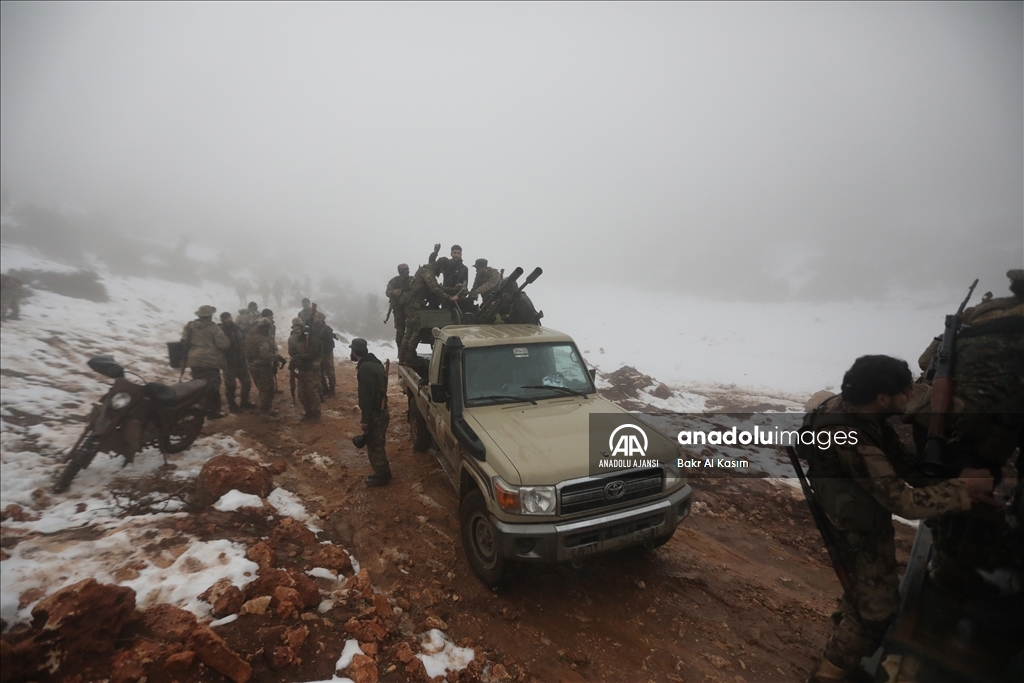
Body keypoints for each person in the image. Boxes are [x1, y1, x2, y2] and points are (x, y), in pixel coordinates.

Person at [801, 355, 997, 683]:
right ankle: (827, 675)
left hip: (854, 513)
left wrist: (953, 478)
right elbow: (901, 501)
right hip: (855, 527)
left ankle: (843, 642)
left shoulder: (862, 412)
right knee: (877, 611)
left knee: (862, 595)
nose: (910, 397)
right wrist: (960, 490)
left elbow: (902, 465)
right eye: (905, 392)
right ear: (881, 398)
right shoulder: (850, 435)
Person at [912, 268, 1024, 593]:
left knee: (952, 486)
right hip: (986, 431)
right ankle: (954, 571)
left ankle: (949, 562)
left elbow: (924, 362)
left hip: (937, 419)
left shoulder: (979, 316)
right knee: (976, 488)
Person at [399, 258, 457, 364]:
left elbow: (437, 286)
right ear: (441, 266)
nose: (443, 272)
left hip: (412, 304)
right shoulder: (428, 272)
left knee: (409, 331)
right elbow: (434, 288)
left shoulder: (428, 270)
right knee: (416, 330)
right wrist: (450, 298)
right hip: (414, 305)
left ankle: (403, 357)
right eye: (444, 270)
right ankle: (408, 357)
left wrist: (453, 290)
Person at [351, 337, 391, 486]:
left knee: (375, 445)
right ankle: (384, 472)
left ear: (354, 351)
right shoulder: (374, 363)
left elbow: (367, 396)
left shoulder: (365, 368)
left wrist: (365, 420)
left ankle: (381, 476)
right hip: (381, 409)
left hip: (375, 412)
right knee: (378, 442)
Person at [181, 305, 231, 419]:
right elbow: (223, 344)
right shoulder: (214, 328)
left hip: (194, 360)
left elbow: (184, 340)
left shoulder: (190, 326)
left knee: (198, 385)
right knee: (212, 386)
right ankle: (212, 412)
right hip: (210, 361)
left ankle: (199, 409)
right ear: (209, 316)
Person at [288, 316, 323, 422]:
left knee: (312, 392)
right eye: (295, 333)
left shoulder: (312, 339)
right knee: (302, 394)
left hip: (311, 370)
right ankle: (308, 413)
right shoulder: (297, 340)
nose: (296, 335)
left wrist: (301, 356)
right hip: (302, 369)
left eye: (298, 332)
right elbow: (293, 353)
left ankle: (316, 415)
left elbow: (314, 353)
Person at [218, 312, 255, 412]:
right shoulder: (220, 331)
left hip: (240, 360)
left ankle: (244, 401)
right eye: (225, 318)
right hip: (228, 362)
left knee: (247, 382)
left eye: (228, 317)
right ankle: (232, 405)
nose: (228, 320)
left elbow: (243, 341)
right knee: (231, 385)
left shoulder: (236, 328)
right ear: (221, 319)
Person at [244, 318, 282, 415]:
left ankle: (265, 409)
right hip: (261, 367)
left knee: (262, 389)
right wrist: (277, 357)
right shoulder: (261, 339)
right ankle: (264, 412)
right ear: (265, 327)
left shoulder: (250, 336)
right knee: (267, 389)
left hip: (253, 365)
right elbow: (265, 354)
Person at [385, 264, 411, 351]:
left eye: (405, 271)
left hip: (410, 308)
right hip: (398, 309)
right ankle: (401, 351)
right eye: (402, 271)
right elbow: (388, 292)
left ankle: (408, 351)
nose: (404, 274)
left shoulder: (412, 280)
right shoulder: (395, 281)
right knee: (400, 331)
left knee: (411, 330)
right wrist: (394, 292)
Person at [315, 311, 337, 398]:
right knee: (320, 372)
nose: (315, 318)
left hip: (326, 353)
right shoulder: (314, 328)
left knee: (329, 372)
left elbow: (330, 344)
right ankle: (325, 389)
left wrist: (325, 352)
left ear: (321, 319)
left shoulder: (327, 329)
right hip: (318, 354)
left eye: (317, 317)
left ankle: (332, 391)